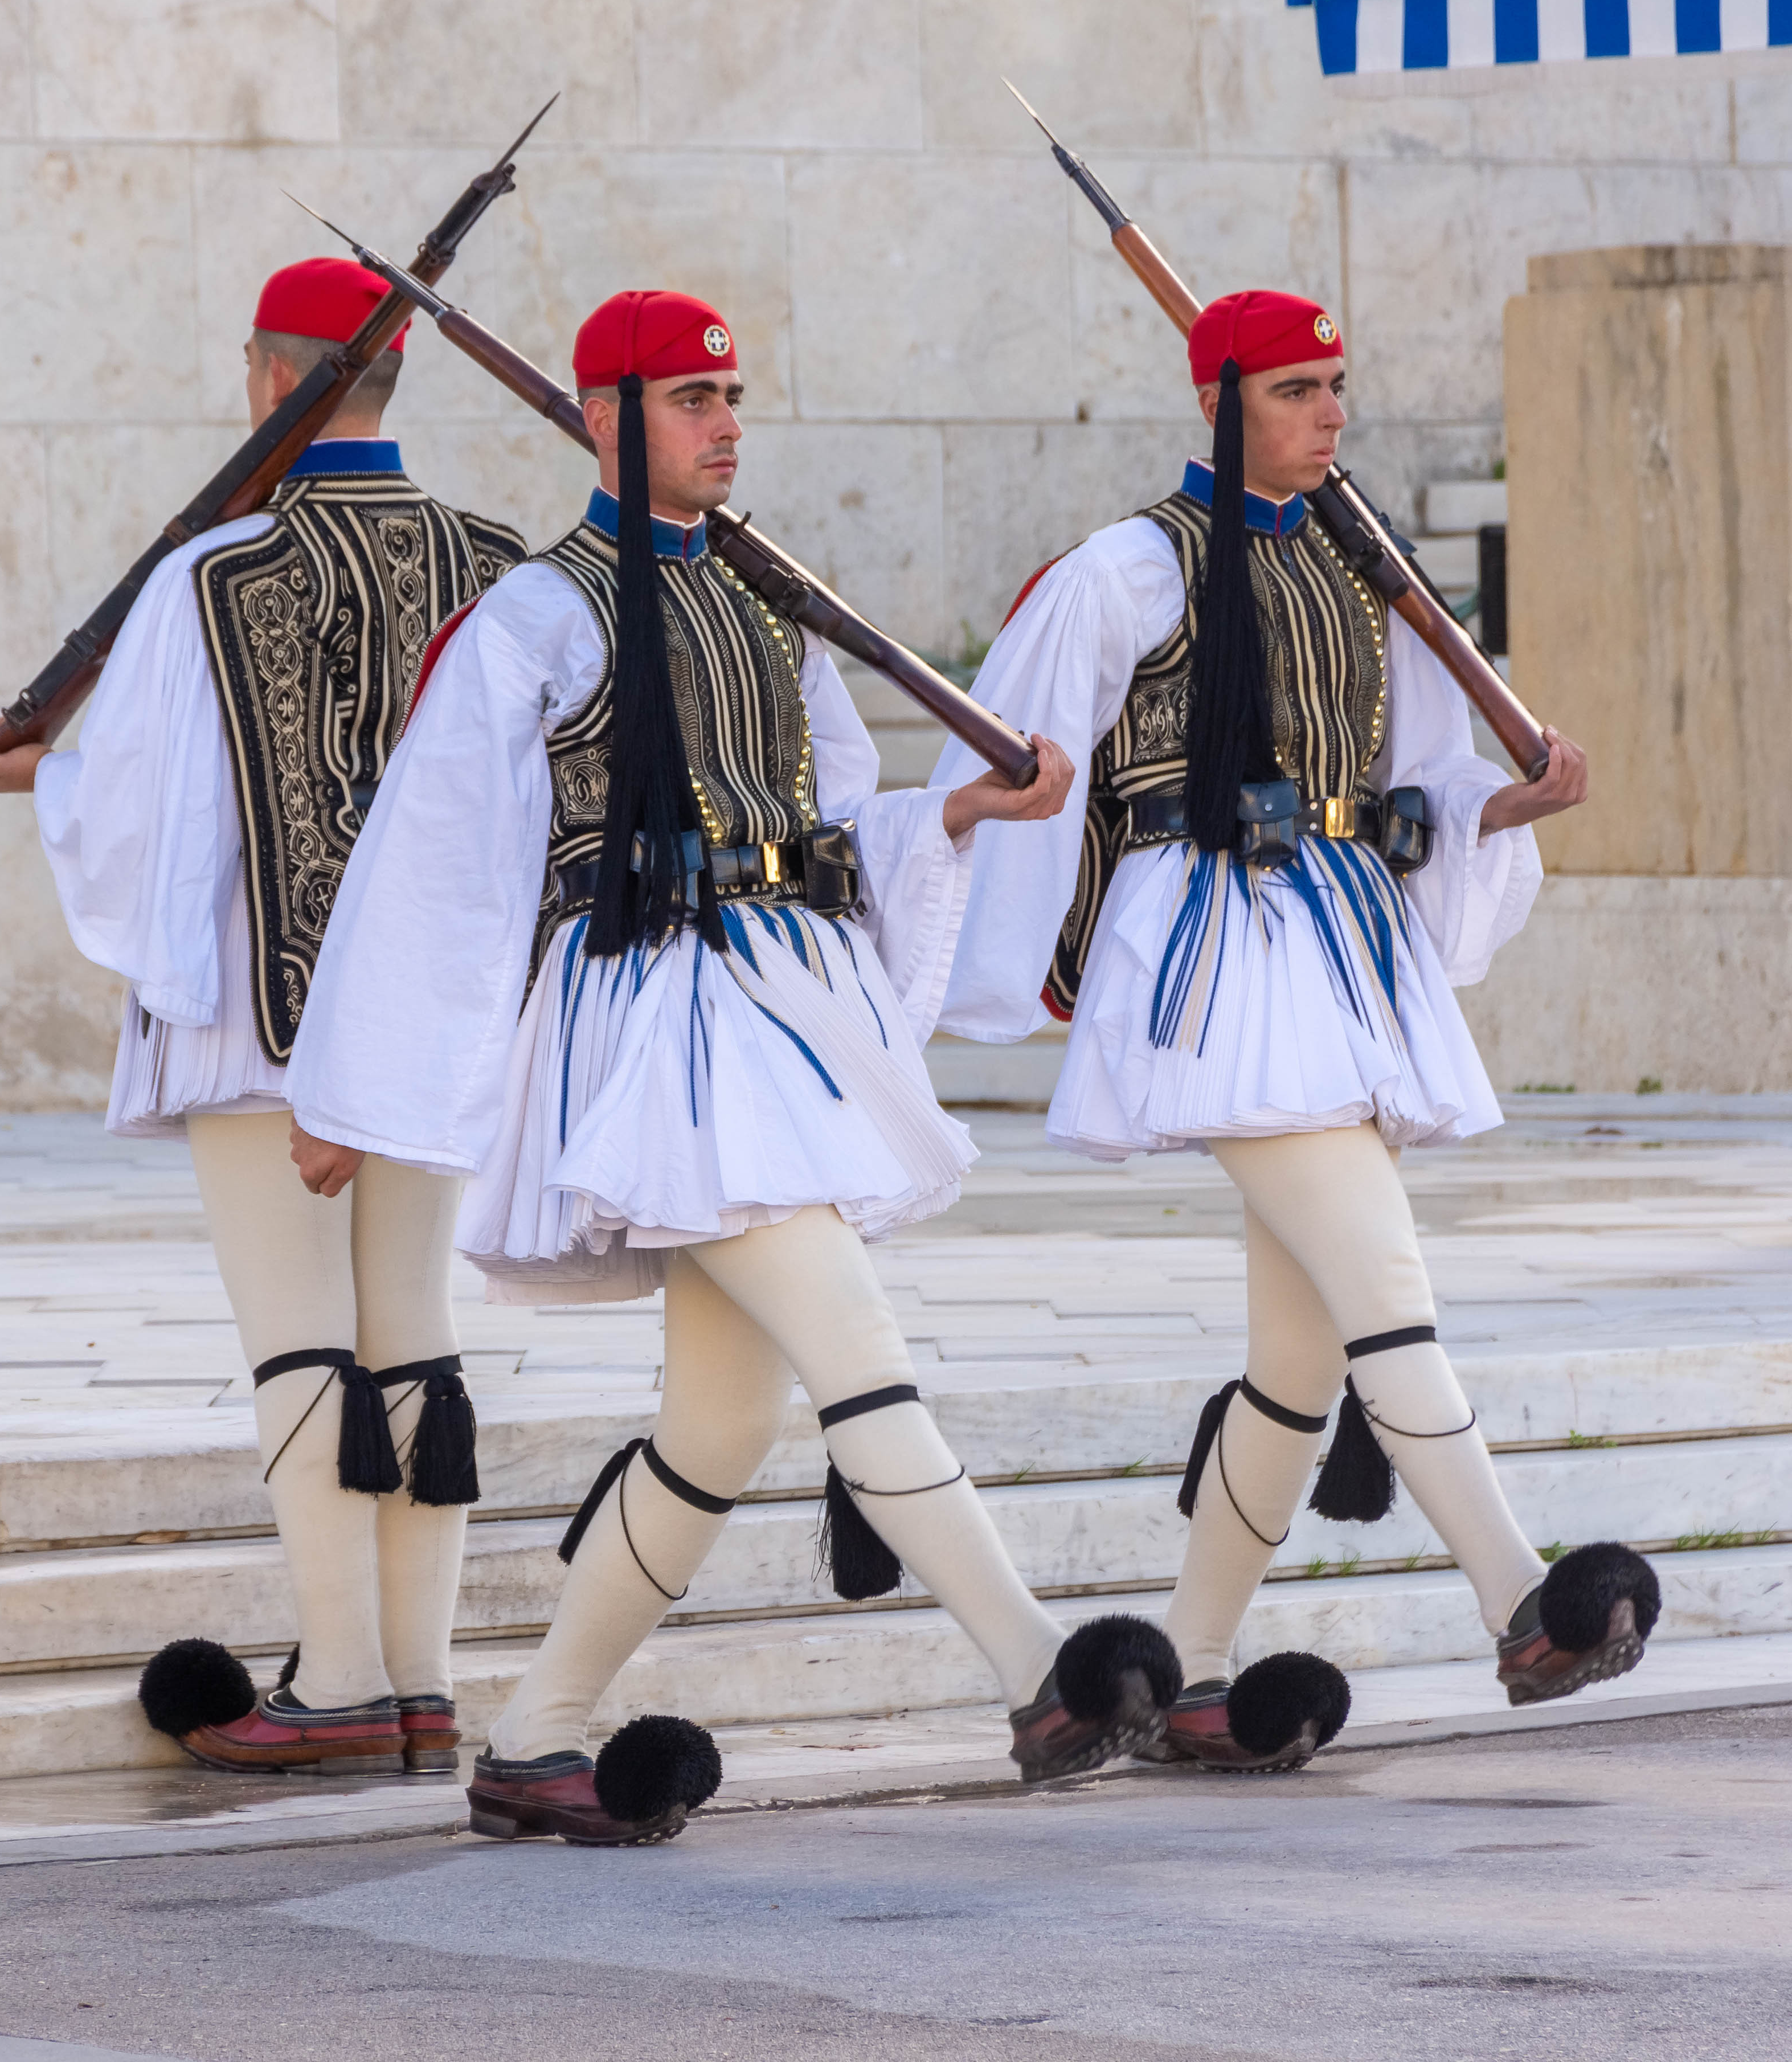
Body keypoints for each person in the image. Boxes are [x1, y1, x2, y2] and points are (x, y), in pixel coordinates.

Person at [286, 288, 1184, 1846]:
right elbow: (438, 865)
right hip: (661, 1034)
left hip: (780, 1008)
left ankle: (534, 1741)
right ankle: (1039, 1670)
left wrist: (959, 815)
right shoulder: (535, 616)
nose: (727, 424)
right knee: (856, 1350)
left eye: (734, 396)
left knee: (721, 1426)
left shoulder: (772, 601)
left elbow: (835, 811)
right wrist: (354, 1098)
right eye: (694, 399)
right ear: (607, 415)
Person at [932, 288, 1659, 1771]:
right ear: (1223, 404)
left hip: (1339, 940)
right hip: (1218, 954)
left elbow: (1414, 781)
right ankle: (1518, 1599)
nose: (1330, 415)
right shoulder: (1133, 567)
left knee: (1303, 1360)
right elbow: (1026, 755)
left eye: (1338, 387)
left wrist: (1504, 804)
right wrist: (1009, 958)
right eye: (1295, 390)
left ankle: (1192, 1677)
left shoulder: (1350, 560)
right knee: (1387, 1278)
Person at [0, 257, 523, 1778]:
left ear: (271, 380)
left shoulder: (209, 576)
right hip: (433, 1026)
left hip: (264, 1021)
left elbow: (147, 822)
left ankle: (339, 1679)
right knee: (413, 1335)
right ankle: (421, 1684)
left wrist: (44, 780)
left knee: (302, 1336)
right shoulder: (500, 565)